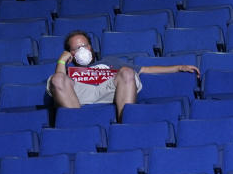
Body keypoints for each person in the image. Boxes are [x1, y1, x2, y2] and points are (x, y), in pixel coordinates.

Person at [47, 30, 199, 121]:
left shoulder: (109, 61)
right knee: (57, 78)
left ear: (91, 47)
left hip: (108, 90)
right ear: (70, 53)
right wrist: (62, 60)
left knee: (127, 71)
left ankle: (125, 124)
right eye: (76, 48)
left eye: (85, 45)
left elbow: (146, 69)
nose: (82, 50)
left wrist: (178, 67)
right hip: (79, 93)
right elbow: (58, 84)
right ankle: (78, 125)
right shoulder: (68, 70)